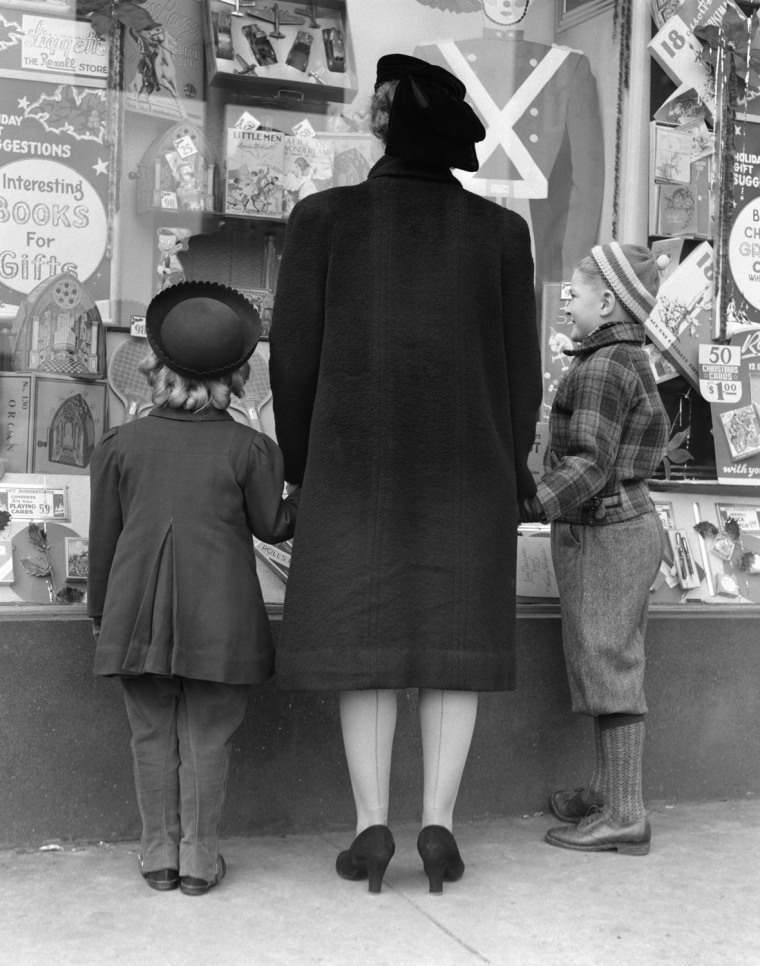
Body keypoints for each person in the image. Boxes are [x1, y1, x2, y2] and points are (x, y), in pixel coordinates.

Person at [269, 53, 542, 894]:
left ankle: (371, 828)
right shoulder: (502, 234)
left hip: (354, 470)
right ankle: (439, 827)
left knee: (369, 649)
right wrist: (508, 460)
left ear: (383, 121)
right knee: (452, 649)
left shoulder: (323, 219)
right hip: (470, 471)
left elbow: (293, 364)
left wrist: (306, 464)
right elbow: (521, 376)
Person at [87, 281, 299, 895]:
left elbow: (105, 542)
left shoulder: (119, 447)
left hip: (135, 615)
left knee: (150, 732)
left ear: (155, 366)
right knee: (209, 736)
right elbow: (274, 525)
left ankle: (158, 856)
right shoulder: (251, 449)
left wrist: (102, 616)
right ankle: (201, 861)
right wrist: (308, 499)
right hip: (222, 618)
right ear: (236, 378)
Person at [521, 243, 669, 855]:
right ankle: (609, 791)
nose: (567, 301)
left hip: (609, 530)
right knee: (603, 658)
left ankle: (626, 814)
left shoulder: (605, 365)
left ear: (606, 302)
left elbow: (590, 461)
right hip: (615, 527)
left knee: (608, 665)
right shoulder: (618, 357)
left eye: (575, 294)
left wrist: (531, 503)